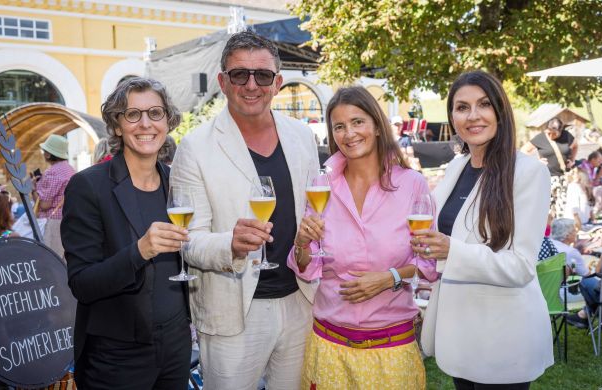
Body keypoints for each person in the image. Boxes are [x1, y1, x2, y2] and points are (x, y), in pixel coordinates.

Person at [170, 31, 319, 390]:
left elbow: (314, 213)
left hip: (300, 303)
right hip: (232, 313)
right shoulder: (194, 147)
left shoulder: (302, 136)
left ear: (277, 83)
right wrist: (230, 245)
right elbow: (188, 241)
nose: (251, 84)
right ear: (223, 81)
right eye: (240, 74)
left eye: (263, 75)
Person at [287, 86, 437, 389]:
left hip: (391, 350)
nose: (349, 133)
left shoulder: (412, 185)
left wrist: (390, 277)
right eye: (339, 126)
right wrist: (301, 242)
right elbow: (308, 266)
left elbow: (428, 262)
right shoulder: (321, 185)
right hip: (329, 349)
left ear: (377, 127)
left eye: (357, 122)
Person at [413, 70, 553, 388]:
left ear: (500, 111)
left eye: (484, 104)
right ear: (452, 117)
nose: (473, 116)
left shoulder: (528, 173)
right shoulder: (455, 167)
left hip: (504, 339)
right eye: (462, 107)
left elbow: (520, 268)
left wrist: (452, 250)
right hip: (459, 335)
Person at [61, 77, 191, 389]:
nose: (146, 124)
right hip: (116, 355)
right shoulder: (88, 186)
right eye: (133, 114)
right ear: (117, 126)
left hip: (176, 346)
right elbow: (82, 283)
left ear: (168, 122)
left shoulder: (178, 184)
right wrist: (139, 251)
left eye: (155, 113)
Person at [522, 117, 578, 217]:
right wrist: (535, 161)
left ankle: (558, 229)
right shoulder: (541, 138)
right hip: (547, 177)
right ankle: (547, 231)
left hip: (563, 177)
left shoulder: (567, 136)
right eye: (549, 133)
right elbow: (524, 151)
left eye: (554, 133)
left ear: (561, 131)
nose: (551, 135)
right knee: (546, 208)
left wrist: (572, 159)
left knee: (561, 208)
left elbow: (575, 146)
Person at [33, 134, 75, 258]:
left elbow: (45, 205)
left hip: (54, 223)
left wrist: (33, 189)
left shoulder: (51, 172)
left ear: (48, 154)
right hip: (68, 219)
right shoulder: (69, 169)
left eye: (44, 151)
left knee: (51, 259)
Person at [578, 151, 602, 220]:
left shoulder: (593, 167)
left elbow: (594, 182)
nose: (601, 163)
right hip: (583, 189)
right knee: (601, 190)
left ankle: (599, 212)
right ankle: (595, 212)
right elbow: (590, 184)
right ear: (593, 159)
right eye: (599, 161)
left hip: (588, 189)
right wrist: (600, 175)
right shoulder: (585, 166)